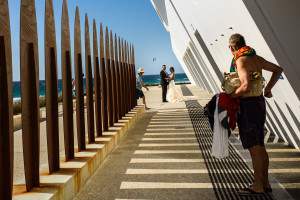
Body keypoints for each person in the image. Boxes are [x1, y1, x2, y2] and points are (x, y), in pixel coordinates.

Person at [228, 34, 283, 196]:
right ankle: (264, 182)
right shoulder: (256, 58)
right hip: (259, 103)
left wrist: (230, 97)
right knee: (260, 145)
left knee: (254, 148)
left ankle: (258, 185)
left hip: (248, 106)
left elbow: (245, 87)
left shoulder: (241, 60)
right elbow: (278, 70)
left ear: (231, 48)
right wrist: (268, 89)